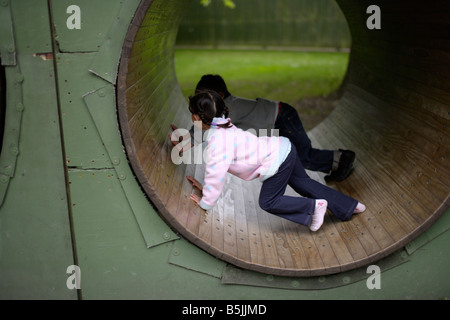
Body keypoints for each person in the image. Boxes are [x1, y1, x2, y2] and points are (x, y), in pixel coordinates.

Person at [186, 90, 365, 232]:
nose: (192, 118)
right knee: (304, 183)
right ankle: (350, 206)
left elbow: (216, 174)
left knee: (268, 201)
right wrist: (206, 187)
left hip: (276, 161)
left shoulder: (218, 141)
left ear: (199, 117)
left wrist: (206, 202)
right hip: (285, 148)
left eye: (193, 115)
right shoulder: (225, 124)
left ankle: (314, 207)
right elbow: (215, 174)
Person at [190, 74, 355, 182]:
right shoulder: (223, 107)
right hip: (281, 118)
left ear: (221, 95)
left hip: (283, 119)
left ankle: (342, 158)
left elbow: (209, 126)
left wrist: (187, 140)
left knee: (303, 156)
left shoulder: (230, 107)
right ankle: (336, 162)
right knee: (302, 156)